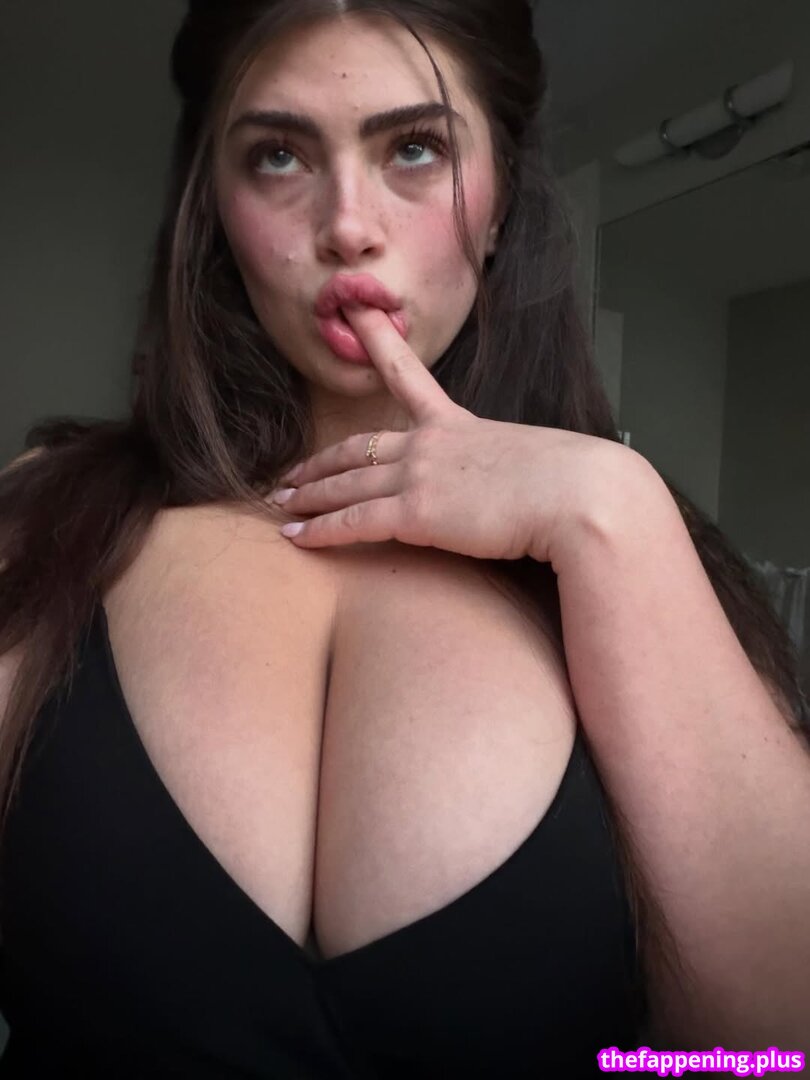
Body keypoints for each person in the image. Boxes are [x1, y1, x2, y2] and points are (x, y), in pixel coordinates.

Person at [0, 1, 808, 1076]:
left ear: (501, 199)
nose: (348, 225)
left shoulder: (629, 546)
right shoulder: (47, 521)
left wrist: (613, 510)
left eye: (415, 148)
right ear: (216, 209)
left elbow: (777, 1052)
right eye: (278, 155)